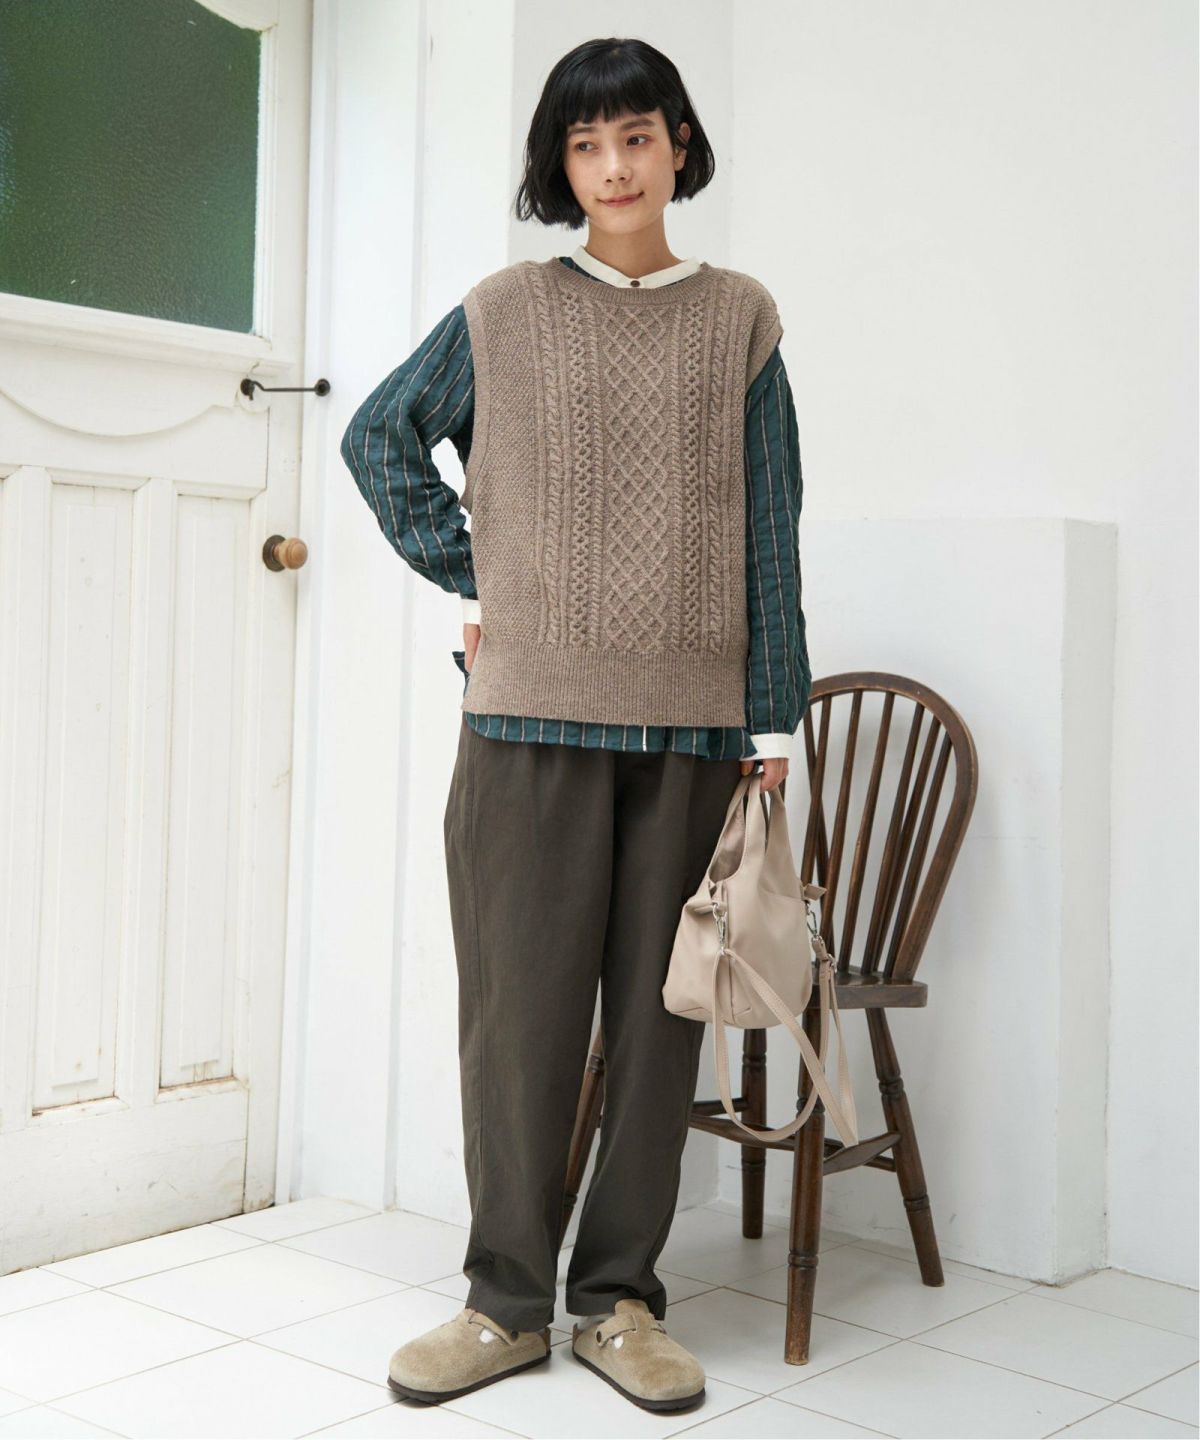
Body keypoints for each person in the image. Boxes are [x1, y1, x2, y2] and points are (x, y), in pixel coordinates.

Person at [339, 35, 810, 1415]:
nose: (613, 167)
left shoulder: (741, 320)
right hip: (526, 730)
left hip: (692, 734)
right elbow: (379, 438)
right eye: (586, 144)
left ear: (679, 147)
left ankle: (617, 1300)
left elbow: (769, 528)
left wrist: (772, 724)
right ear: (561, 163)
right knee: (518, 1027)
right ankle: (503, 1302)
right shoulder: (502, 310)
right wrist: (481, 580)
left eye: (637, 137)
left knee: (661, 1032)